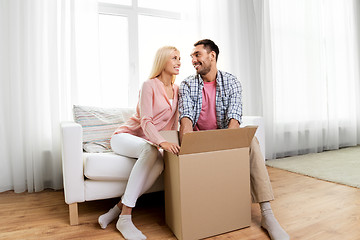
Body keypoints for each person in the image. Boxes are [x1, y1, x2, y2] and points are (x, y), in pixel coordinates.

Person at [179, 39, 289, 240]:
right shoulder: (187, 84)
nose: (193, 60)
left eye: (197, 55)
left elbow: (234, 119)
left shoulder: (231, 82)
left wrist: (229, 147)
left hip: (222, 137)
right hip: (199, 140)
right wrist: (187, 144)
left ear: (212, 55)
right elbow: (185, 118)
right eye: (192, 57)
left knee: (252, 142)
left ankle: (267, 215)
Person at [98, 46, 181, 240]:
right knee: (151, 151)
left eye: (179, 58)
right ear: (162, 61)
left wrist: (172, 143)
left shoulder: (177, 90)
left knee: (159, 162)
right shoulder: (149, 85)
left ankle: (116, 210)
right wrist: (161, 142)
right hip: (125, 137)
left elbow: (173, 123)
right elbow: (145, 121)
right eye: (174, 58)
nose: (179, 62)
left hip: (150, 144)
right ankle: (125, 218)